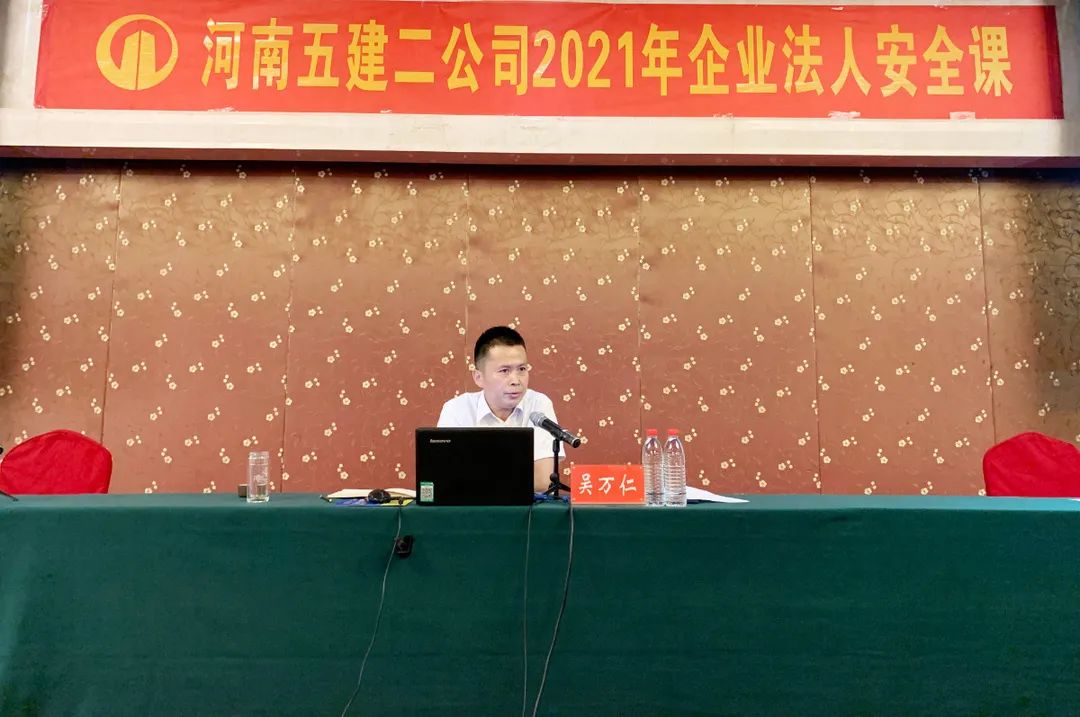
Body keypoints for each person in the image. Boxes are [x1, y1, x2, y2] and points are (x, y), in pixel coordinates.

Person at [437, 326, 564, 493]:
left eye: (522, 369)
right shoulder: (456, 409)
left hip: (526, 508)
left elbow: (543, 481)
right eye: (504, 371)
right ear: (479, 377)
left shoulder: (538, 404)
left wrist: (476, 475)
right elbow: (445, 478)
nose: (516, 380)